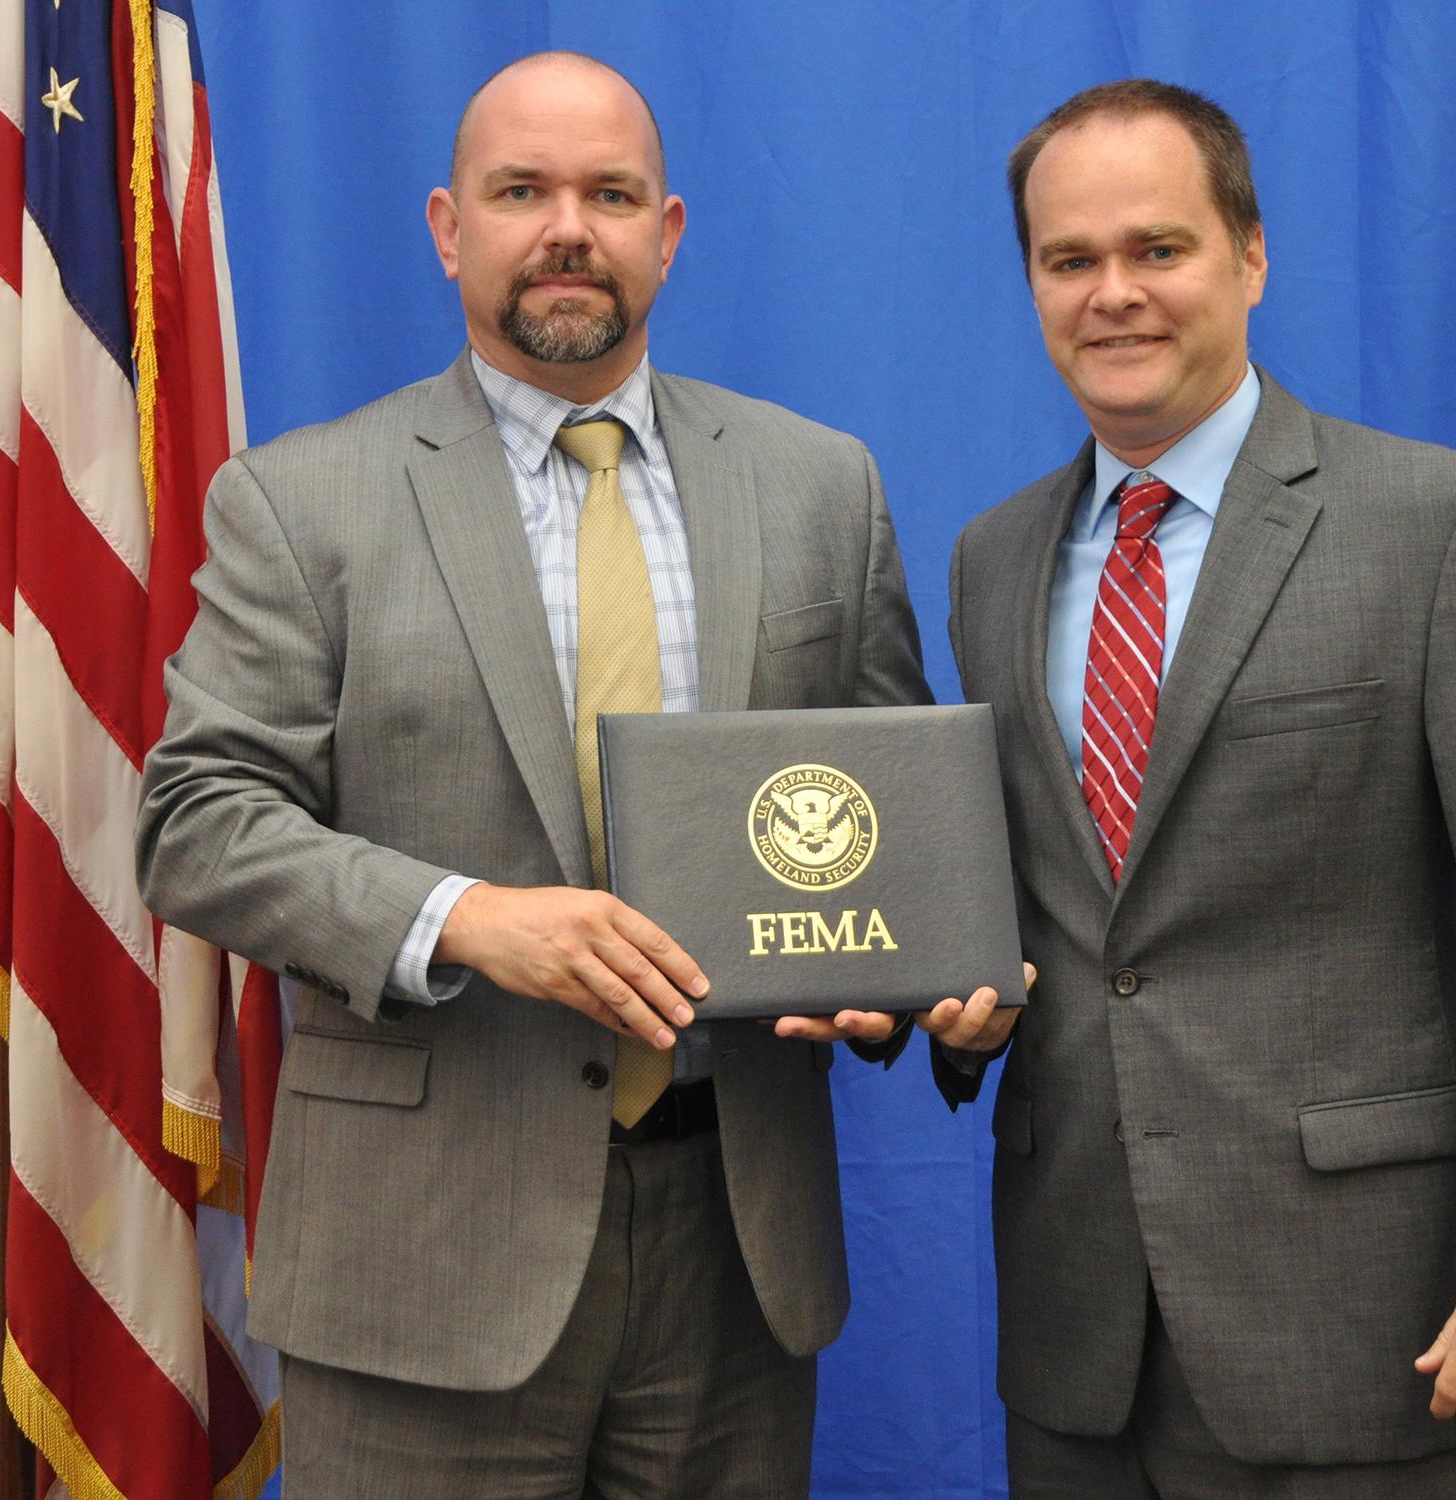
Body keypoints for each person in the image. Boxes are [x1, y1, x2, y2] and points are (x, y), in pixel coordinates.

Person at [135, 52, 928, 1499]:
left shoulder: (824, 486)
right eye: (523, 191)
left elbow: (885, 830)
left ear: (667, 232)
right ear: (451, 227)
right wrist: (465, 919)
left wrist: (900, 979)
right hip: (423, 1264)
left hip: (735, 1255)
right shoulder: (304, 501)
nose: (569, 227)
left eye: (608, 194)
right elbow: (196, 825)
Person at [920, 79, 1456, 1498]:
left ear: (1251, 260)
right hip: (1078, 1335)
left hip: (1367, 1326)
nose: (1113, 294)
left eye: (1159, 250)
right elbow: (1054, 914)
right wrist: (958, 1002)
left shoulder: (1440, 528)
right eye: (1070, 261)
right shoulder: (992, 563)